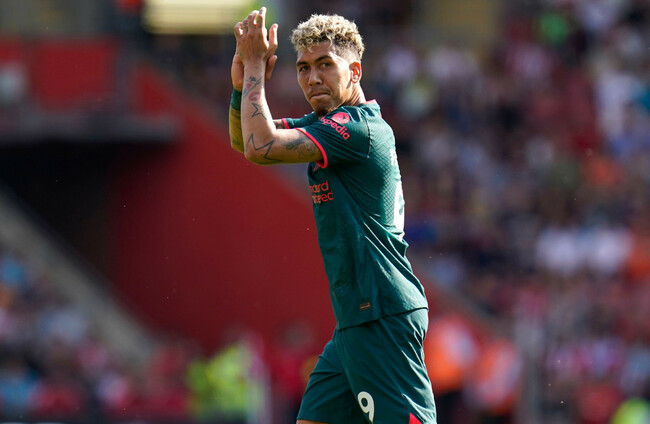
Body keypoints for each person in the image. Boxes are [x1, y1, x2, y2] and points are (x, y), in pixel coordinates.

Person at [228, 7, 437, 424]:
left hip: (381, 312)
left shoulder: (357, 130)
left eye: (325, 64)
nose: (313, 78)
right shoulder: (327, 123)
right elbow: (243, 141)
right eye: (303, 68)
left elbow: (259, 145)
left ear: (354, 71)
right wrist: (241, 89)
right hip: (355, 319)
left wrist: (253, 71)